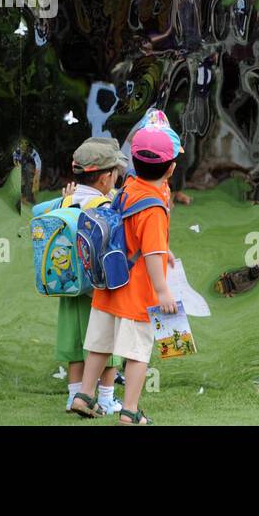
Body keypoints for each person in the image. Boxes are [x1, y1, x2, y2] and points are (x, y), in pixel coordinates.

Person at [70, 127, 176, 425]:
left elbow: (129, 232)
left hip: (109, 286)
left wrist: (164, 249)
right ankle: (130, 410)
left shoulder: (128, 188)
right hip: (137, 293)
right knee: (137, 354)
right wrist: (163, 291)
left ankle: (84, 395)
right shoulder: (154, 206)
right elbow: (152, 254)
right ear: (171, 168)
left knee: (99, 346)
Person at [53, 137, 125, 414]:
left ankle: (74, 396)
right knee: (105, 342)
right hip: (99, 287)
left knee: (75, 340)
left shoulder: (66, 199)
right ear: (106, 177)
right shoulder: (105, 205)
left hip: (69, 284)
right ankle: (105, 398)